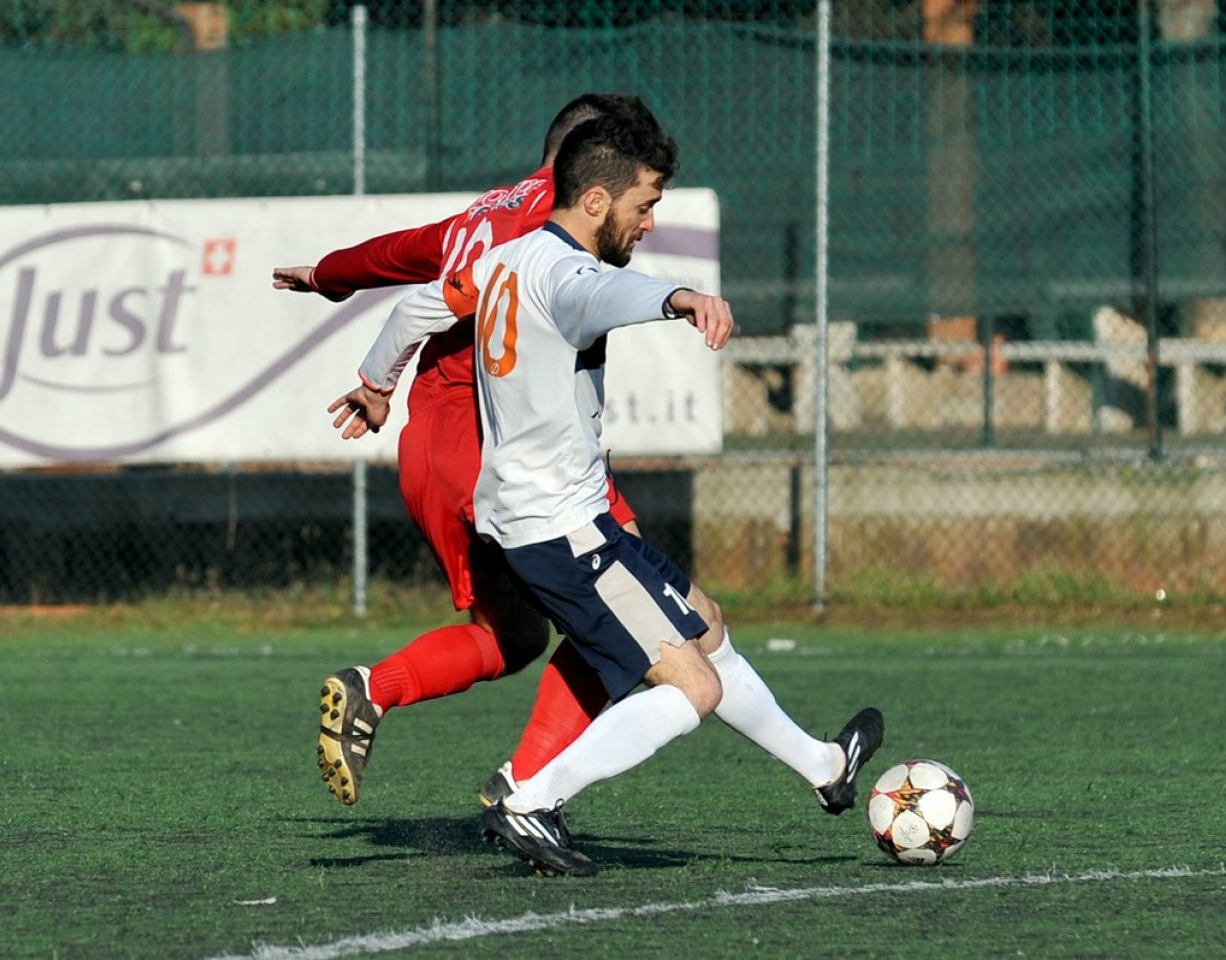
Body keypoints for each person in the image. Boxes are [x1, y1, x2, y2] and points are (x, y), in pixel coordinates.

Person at [406, 113, 884, 876]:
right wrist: (682, 299)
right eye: (645, 203)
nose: (651, 220)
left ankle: (825, 767)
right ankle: (529, 799)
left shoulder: (507, 256)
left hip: (565, 516)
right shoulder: (566, 272)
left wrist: (372, 380)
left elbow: (412, 308)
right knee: (690, 689)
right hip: (563, 531)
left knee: (705, 622)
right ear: (595, 200)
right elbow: (610, 294)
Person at [275, 95, 660, 808]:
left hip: (430, 451)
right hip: (502, 450)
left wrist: (327, 277)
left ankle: (374, 689)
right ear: (591, 160)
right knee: (640, 616)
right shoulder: (557, 218)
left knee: (514, 636)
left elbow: (397, 254)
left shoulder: (479, 215)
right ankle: (526, 794)